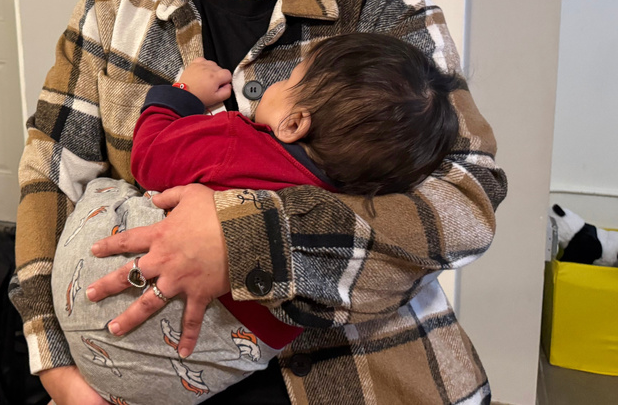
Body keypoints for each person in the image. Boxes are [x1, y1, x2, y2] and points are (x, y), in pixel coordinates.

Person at [9, 0, 506, 405]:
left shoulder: (381, 5)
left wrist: (250, 237)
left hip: (365, 377)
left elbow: (468, 197)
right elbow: (49, 177)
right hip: (145, 380)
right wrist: (56, 368)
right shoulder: (113, 2)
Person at [52, 33, 462, 404]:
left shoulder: (235, 142)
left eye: (287, 80)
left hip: (94, 306)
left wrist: (180, 96)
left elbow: (150, 159)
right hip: (179, 382)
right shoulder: (358, 206)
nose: (272, 85)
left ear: (295, 124)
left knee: (106, 187)